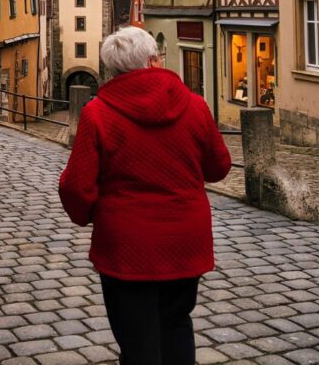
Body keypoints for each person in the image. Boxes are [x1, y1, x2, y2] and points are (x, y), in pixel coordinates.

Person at [58, 27, 231, 365]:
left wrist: (92, 215)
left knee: (137, 339)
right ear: (154, 60)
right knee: (177, 323)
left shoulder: (98, 113)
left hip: (127, 245)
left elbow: (76, 187)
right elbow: (219, 166)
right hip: (185, 239)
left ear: (111, 69)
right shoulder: (194, 105)